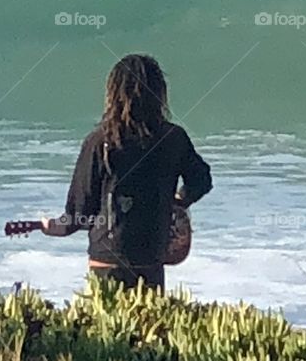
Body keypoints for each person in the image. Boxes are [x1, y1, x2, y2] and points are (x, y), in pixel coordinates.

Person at [41, 54, 212, 289]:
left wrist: (52, 227)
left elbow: (79, 213)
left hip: (107, 259)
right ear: (159, 94)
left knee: (108, 324)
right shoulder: (173, 138)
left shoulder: (100, 140)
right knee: (150, 323)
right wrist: (179, 202)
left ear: (113, 93)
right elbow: (201, 180)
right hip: (151, 257)